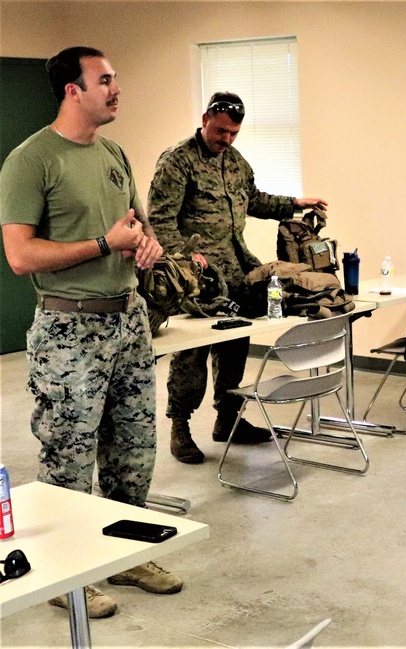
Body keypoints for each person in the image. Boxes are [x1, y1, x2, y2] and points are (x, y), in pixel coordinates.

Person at [0, 46, 180, 619]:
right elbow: (21, 255)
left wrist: (145, 243)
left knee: (133, 451)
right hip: (69, 329)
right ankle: (63, 574)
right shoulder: (31, 161)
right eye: (105, 80)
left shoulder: (114, 152)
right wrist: (106, 244)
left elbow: (135, 224)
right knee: (68, 458)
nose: (117, 87)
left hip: (127, 319)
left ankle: (123, 554)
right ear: (72, 90)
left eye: (115, 77)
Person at [147, 92, 328, 464]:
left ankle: (228, 420)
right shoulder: (177, 161)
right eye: (220, 131)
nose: (225, 139)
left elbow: (255, 200)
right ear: (205, 118)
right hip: (195, 278)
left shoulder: (234, 160)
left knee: (235, 345)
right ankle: (180, 427)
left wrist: (296, 204)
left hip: (235, 270)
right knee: (192, 353)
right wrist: (186, 256)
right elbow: (159, 220)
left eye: (233, 133)